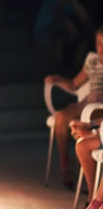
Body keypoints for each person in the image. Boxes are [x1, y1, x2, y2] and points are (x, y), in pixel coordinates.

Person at [45, 26, 103, 189]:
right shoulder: (92, 61)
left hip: (100, 106)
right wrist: (58, 79)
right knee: (61, 117)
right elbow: (74, 84)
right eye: (99, 44)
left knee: (86, 121)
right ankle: (65, 165)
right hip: (87, 103)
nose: (101, 49)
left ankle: (90, 180)